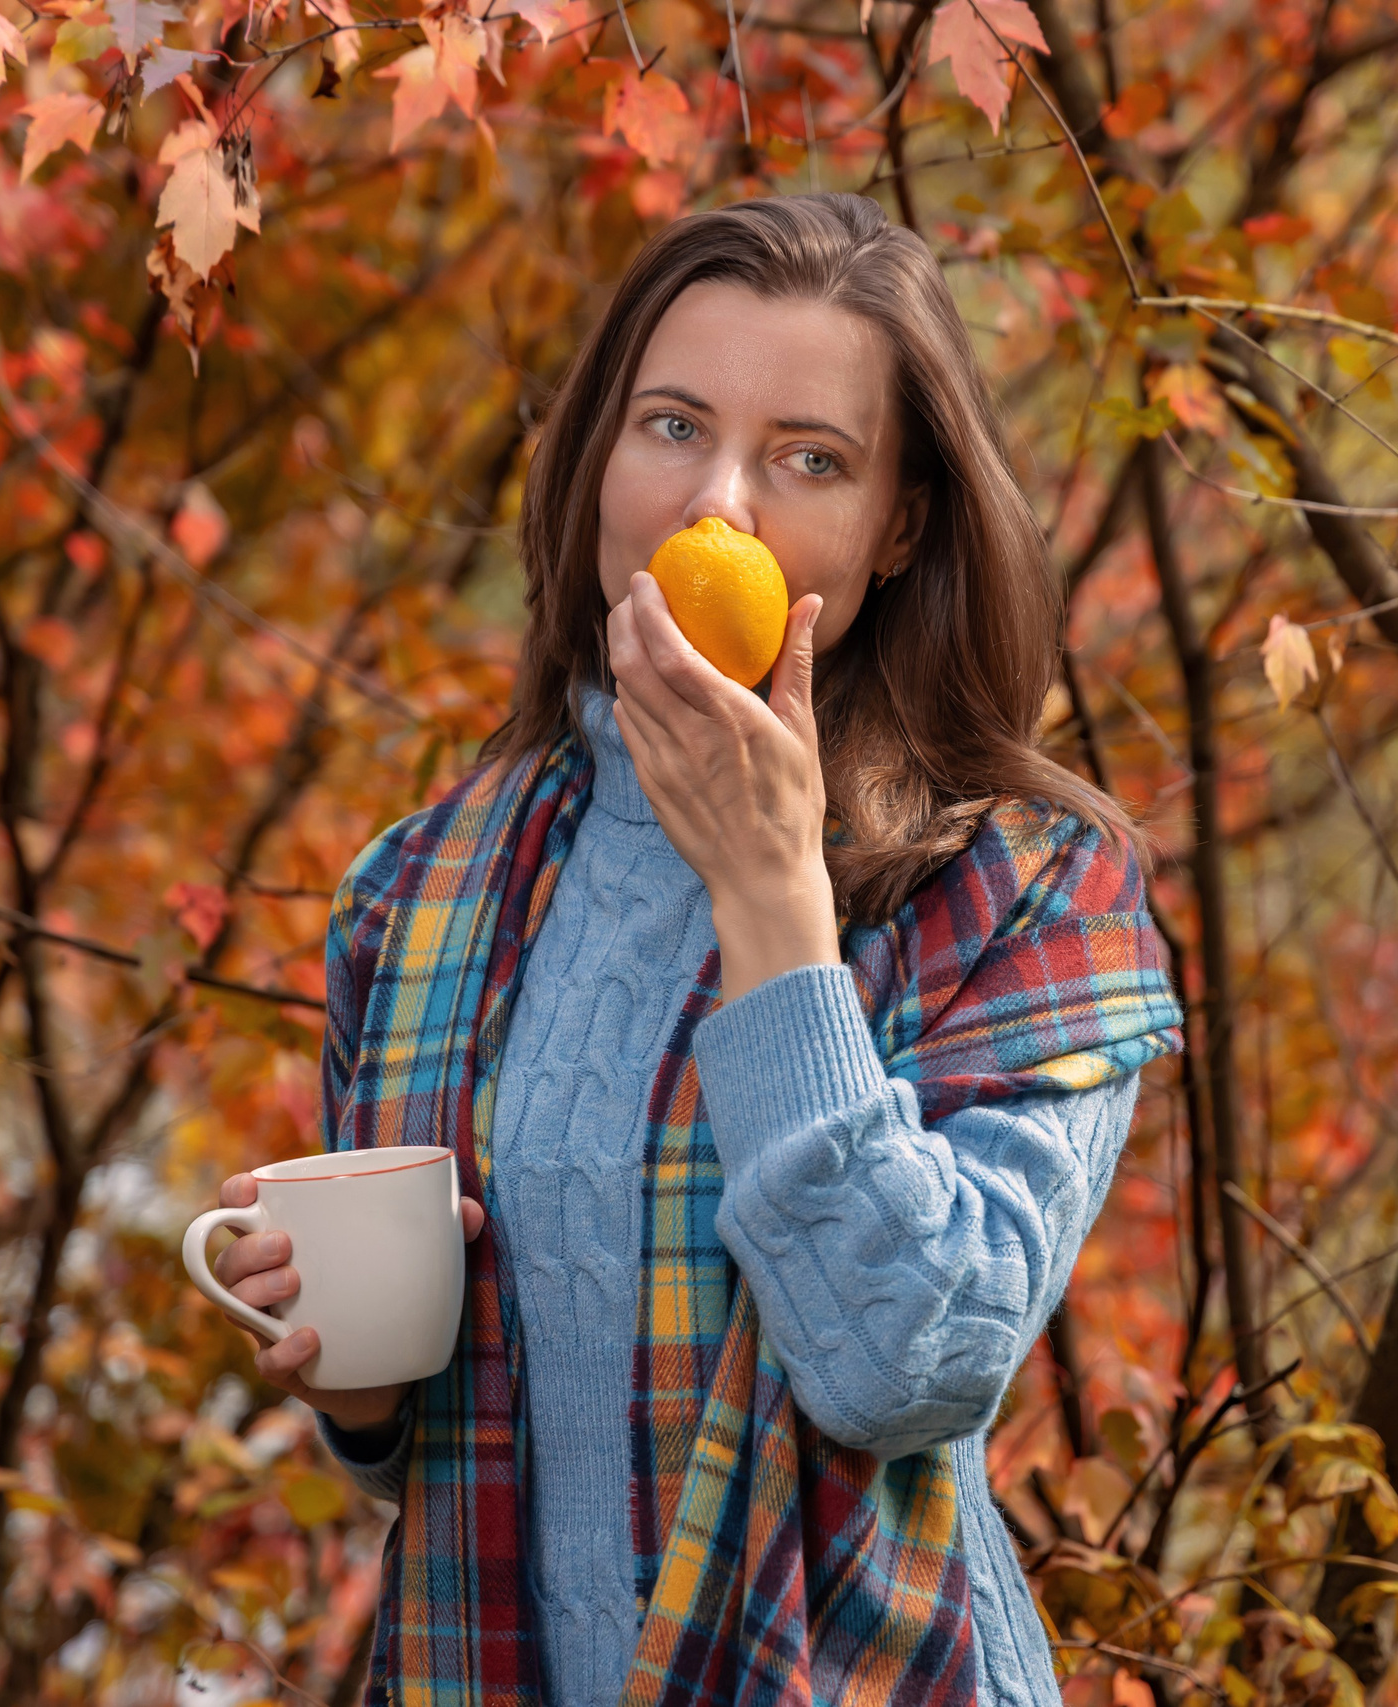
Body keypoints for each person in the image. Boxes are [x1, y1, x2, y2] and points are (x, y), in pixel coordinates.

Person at [207, 193, 1182, 1707]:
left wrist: (773, 904)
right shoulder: (419, 894)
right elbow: (409, 1442)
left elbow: (909, 1366)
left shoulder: (1026, 885)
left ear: (899, 525)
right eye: (671, 426)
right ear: (600, 457)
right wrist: (348, 1373)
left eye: (811, 460)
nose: (716, 506)